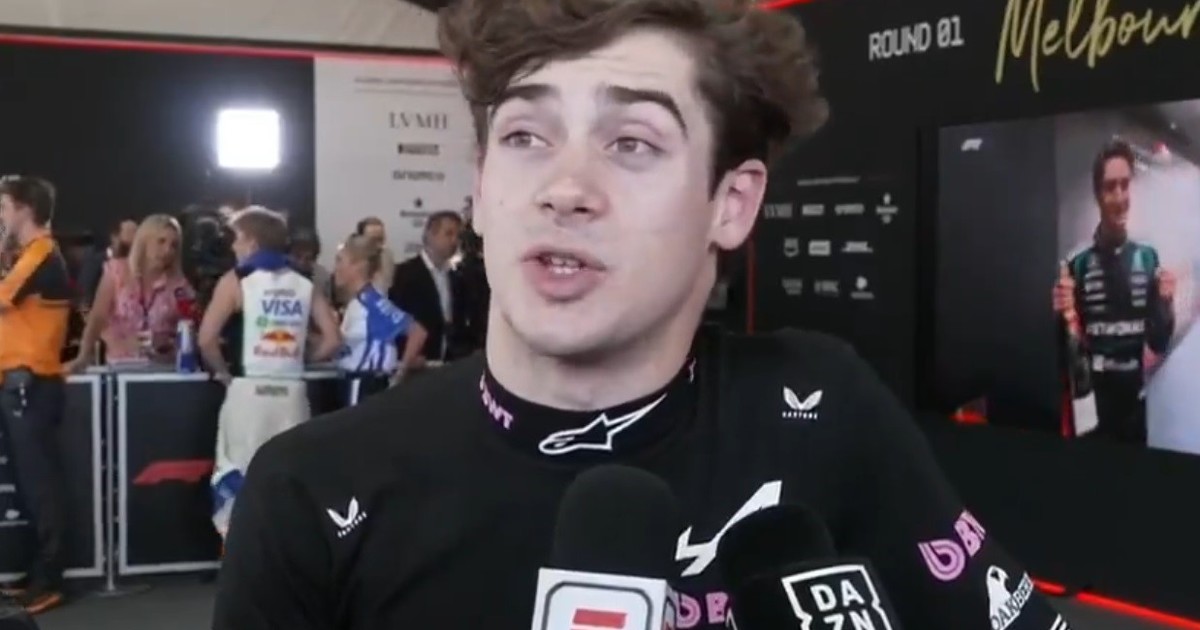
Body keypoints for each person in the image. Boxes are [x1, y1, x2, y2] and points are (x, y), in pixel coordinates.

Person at [212, 1, 1070, 629]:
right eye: (525, 137)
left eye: (632, 143)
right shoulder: (309, 490)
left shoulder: (824, 410)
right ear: (480, 185)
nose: (565, 189)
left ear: (731, 204)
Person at [197, 207, 342, 540]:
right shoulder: (304, 281)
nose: (233, 246)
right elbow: (333, 339)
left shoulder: (237, 280)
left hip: (249, 391)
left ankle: (239, 553)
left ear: (251, 241)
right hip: (292, 395)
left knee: (237, 478)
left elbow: (206, 339)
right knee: (290, 480)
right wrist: (300, 359)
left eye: (236, 238)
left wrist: (224, 375)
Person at [1053, 140, 1176, 445]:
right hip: (1093, 407)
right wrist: (1059, 316)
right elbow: (1065, 353)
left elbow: (1159, 342)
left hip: (1135, 406)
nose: (1120, 197)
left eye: (1125, 185)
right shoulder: (1077, 264)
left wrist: (1166, 303)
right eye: (1110, 187)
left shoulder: (1148, 258)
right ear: (1098, 195)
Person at [0, 176, 71, 614]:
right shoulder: (29, 256)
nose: (1, 216)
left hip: (31, 383)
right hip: (20, 382)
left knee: (41, 486)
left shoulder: (41, 253)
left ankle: (50, 579)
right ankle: (39, 574)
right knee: (31, 485)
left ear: (25, 209)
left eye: (4, 207)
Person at [67, 214, 194, 370]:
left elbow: (190, 329)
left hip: (164, 368)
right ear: (144, 241)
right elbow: (97, 318)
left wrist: (167, 343)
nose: (167, 250)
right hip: (121, 366)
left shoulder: (180, 286)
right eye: (161, 241)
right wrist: (84, 355)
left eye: (174, 245)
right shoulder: (117, 272)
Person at [332, 234, 428, 405]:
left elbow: (417, 332)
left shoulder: (371, 303)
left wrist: (400, 373)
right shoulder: (358, 302)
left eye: (340, 261)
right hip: (354, 381)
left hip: (365, 384)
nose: (336, 268)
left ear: (357, 265)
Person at [388, 211, 465, 362]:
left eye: (458, 236)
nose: (455, 241)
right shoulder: (404, 274)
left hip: (450, 362)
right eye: (449, 234)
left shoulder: (457, 277)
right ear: (430, 235)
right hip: (415, 361)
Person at [76, 217, 137, 312]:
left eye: (135, 234)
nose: (132, 238)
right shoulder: (96, 261)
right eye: (129, 233)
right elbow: (83, 292)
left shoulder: (139, 265)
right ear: (114, 237)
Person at [354, 217, 396, 293]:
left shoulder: (387, 256)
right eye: (373, 239)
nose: (378, 244)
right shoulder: (350, 261)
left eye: (380, 239)